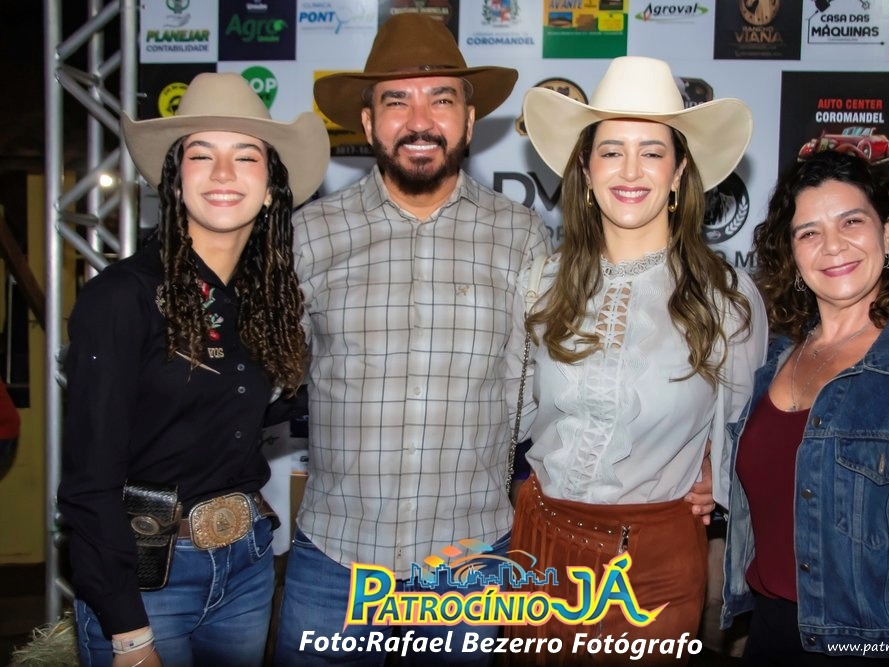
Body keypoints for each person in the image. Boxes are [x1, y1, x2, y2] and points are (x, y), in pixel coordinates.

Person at [271, 14, 552, 666]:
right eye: (396, 101)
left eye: (440, 100)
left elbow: (543, 388)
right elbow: (264, 373)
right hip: (336, 559)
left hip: (469, 559)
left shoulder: (522, 238)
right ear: (367, 122)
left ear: (469, 119)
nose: (419, 121)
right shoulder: (310, 235)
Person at [58, 72, 329, 667]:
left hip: (248, 565)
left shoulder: (268, 302)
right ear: (175, 181)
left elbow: (253, 408)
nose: (224, 173)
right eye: (201, 155)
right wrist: (129, 634)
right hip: (146, 579)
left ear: (271, 187)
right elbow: (88, 485)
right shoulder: (121, 298)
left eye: (246, 156)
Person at [504, 56, 768, 665]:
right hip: (538, 548)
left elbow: (746, 437)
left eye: (652, 152)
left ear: (679, 173)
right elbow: (511, 418)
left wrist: (717, 476)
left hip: (650, 565)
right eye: (611, 151)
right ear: (585, 169)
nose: (630, 170)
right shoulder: (540, 282)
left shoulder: (726, 298)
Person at [722, 150, 889, 666]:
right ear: (792, 253)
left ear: (888, 233)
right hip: (768, 635)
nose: (833, 245)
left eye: (851, 221)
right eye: (809, 232)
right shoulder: (775, 359)